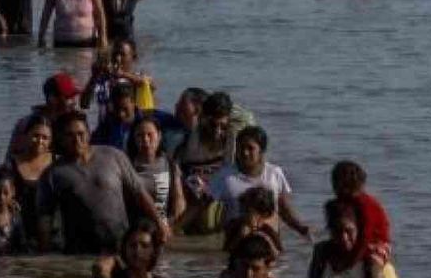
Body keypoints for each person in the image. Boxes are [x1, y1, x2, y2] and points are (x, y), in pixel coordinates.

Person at [36, 112, 165, 254]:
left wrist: (159, 224)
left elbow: (139, 193)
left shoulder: (114, 156)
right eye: (70, 135)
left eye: (81, 134)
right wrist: (45, 255)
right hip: (79, 252)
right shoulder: (53, 174)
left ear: (89, 134)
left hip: (121, 245)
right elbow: (44, 218)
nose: (77, 140)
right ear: (61, 139)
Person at [208, 126, 311, 238]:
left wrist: (301, 228)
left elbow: (284, 209)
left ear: (261, 151)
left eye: (250, 148)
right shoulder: (224, 176)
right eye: (241, 148)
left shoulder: (274, 173)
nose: (245, 153)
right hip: (236, 240)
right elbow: (205, 204)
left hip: (269, 238)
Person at [170, 92, 237, 235]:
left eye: (223, 126)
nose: (218, 132)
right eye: (213, 125)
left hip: (214, 184)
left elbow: (228, 172)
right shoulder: (191, 135)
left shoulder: (231, 135)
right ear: (203, 118)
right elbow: (177, 167)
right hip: (189, 181)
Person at [127, 115, 185, 226]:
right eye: (140, 135)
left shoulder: (169, 163)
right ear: (134, 139)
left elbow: (179, 200)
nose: (145, 140)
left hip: (164, 225)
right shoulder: (127, 165)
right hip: (136, 226)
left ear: (159, 136)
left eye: (150, 135)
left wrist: (170, 224)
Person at [6, 115, 54, 211]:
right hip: (20, 218)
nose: (40, 141)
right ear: (26, 136)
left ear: (50, 141)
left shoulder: (57, 162)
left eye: (45, 138)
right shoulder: (12, 164)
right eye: (36, 136)